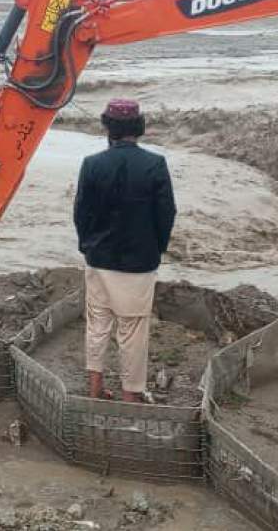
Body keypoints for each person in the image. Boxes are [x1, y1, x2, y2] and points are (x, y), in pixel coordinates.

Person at [73, 99, 177, 403]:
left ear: (108, 127)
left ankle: (95, 390)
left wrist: (88, 246)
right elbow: (167, 213)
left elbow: (81, 213)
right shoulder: (155, 164)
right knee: (132, 331)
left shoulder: (92, 164)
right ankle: (130, 398)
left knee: (97, 324)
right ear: (139, 128)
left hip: (99, 259)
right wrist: (156, 248)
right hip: (139, 264)